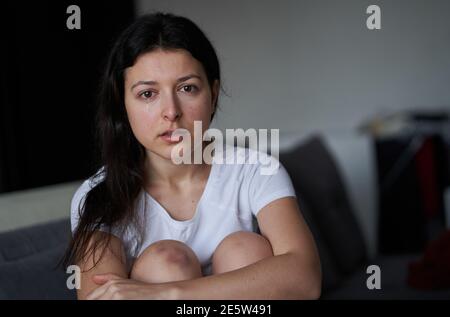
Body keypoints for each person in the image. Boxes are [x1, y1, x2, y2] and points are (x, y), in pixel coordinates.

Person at [62, 12, 322, 300]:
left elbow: (305, 278)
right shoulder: (100, 193)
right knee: (166, 261)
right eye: (148, 94)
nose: (171, 111)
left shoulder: (255, 170)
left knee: (245, 249)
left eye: (187, 88)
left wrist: (169, 295)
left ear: (212, 93)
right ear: (122, 104)